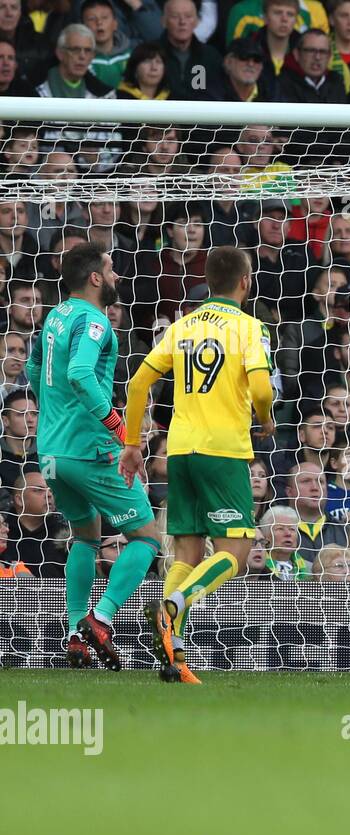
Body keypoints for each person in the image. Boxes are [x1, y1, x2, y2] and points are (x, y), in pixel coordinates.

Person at [121, 246, 275, 684]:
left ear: (208, 280)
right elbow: (262, 391)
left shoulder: (182, 326)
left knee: (186, 551)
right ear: (245, 282)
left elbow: (137, 385)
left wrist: (133, 444)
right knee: (236, 551)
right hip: (222, 451)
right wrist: (265, 419)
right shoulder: (249, 327)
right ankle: (176, 605)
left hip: (180, 451)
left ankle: (175, 657)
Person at [23, 242, 163, 669]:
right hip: (91, 451)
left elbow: (33, 369)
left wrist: (57, 414)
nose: (118, 275)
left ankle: (74, 635)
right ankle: (100, 620)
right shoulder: (95, 321)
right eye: (111, 268)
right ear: (96, 278)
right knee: (147, 537)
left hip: (51, 452)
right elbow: (81, 373)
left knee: (86, 536)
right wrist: (123, 432)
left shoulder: (55, 316)